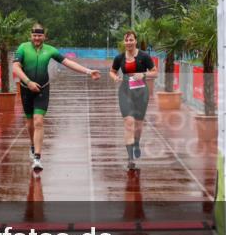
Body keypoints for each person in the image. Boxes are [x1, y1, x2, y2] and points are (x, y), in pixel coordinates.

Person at [13, 23, 100, 172]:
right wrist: (28, 82)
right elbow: (15, 67)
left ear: (44, 36)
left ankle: (37, 158)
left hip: (42, 89)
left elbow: (68, 63)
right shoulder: (23, 48)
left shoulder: (50, 50)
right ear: (30, 36)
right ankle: (33, 145)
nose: (37, 38)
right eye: (34, 35)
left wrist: (88, 71)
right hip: (26, 89)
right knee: (30, 124)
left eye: (39, 36)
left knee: (38, 121)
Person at [109, 30, 158, 169]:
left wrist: (143, 74)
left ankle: (136, 143)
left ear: (136, 41)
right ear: (124, 42)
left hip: (141, 93)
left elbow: (155, 72)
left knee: (138, 125)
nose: (129, 42)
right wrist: (115, 77)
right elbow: (112, 71)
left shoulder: (144, 56)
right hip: (125, 92)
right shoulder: (119, 58)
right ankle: (130, 159)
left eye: (131, 40)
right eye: (126, 40)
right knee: (129, 122)